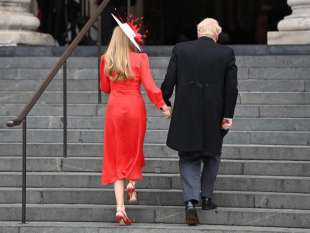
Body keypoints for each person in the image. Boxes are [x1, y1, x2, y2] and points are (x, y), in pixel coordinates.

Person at [161, 18, 238, 225]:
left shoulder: (181, 50)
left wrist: (164, 101)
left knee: (188, 157)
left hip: (186, 114)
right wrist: (228, 115)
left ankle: (190, 202)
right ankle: (206, 198)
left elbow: (169, 79)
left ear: (198, 32)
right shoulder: (226, 53)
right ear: (217, 33)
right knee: (212, 154)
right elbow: (231, 89)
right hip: (214, 114)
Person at [100, 14, 171, 226]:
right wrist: (162, 105)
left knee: (115, 154)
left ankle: (120, 208)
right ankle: (132, 182)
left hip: (114, 107)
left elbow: (104, 88)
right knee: (134, 147)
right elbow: (150, 87)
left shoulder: (106, 59)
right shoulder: (141, 59)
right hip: (134, 106)